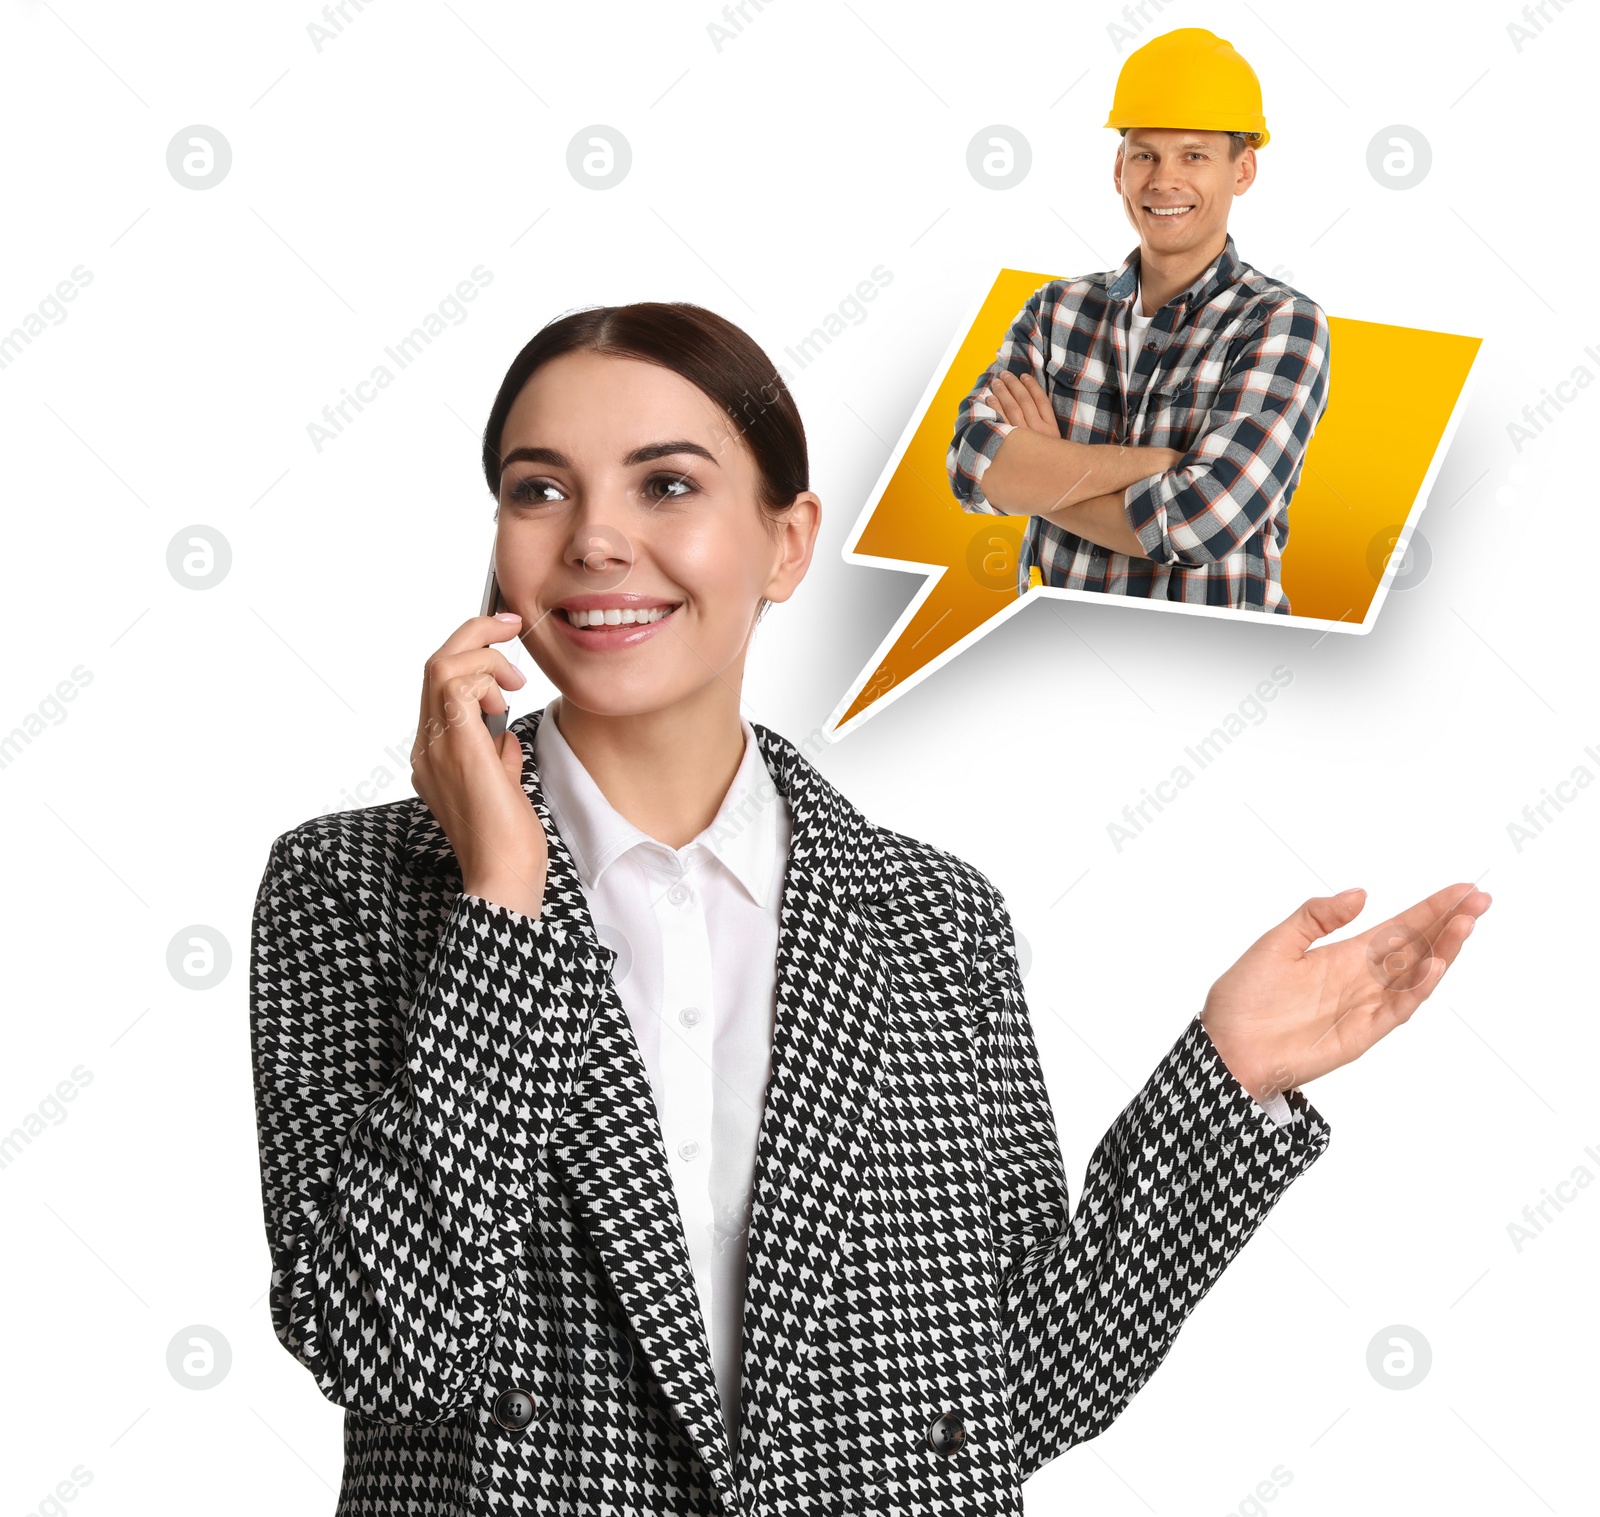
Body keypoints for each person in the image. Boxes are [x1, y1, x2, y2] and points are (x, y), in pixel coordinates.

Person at [248, 301, 1488, 1515]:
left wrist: (1223, 1082)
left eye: (666, 485)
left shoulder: (932, 917)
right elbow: (385, 1347)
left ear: (787, 542)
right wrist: (499, 908)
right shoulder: (349, 890)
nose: (595, 540)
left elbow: (1011, 1391)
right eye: (540, 488)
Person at [946, 26, 1331, 614]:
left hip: (1215, 668)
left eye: (1194, 155)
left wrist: (1035, 480)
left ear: (1243, 169)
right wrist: (1151, 466)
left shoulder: (1282, 324)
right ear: (1119, 166)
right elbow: (970, 466)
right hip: (1049, 659)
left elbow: (1199, 524)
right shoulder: (1056, 311)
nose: (1162, 181)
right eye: (1145, 154)